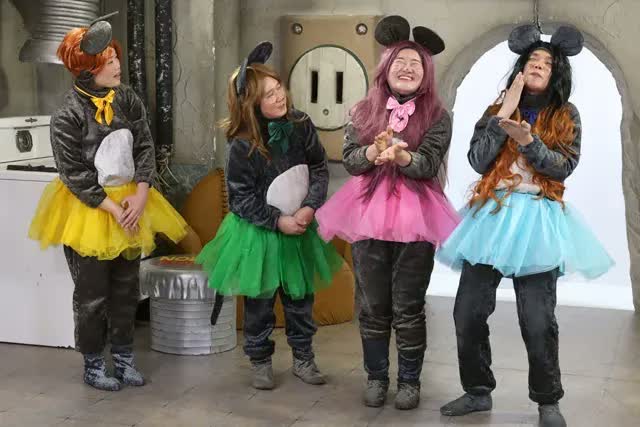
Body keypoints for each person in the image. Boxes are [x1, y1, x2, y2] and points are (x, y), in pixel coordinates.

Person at [437, 24, 613, 427]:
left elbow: (564, 166)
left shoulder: (566, 114)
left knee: (537, 320)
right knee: (467, 312)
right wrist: (504, 115)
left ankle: (547, 400)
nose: (537, 65)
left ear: (556, 74)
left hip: (536, 217)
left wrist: (529, 142)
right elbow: (478, 161)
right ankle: (477, 391)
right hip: (491, 216)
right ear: (520, 68)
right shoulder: (498, 107)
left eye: (546, 63)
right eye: (532, 60)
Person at [29, 13, 188, 391]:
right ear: (87, 69)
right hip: (91, 211)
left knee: (126, 290)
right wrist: (113, 208)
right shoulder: (67, 113)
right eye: (109, 61)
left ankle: (124, 356)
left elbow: (145, 146)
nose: (118, 65)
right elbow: (73, 173)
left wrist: (142, 192)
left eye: (116, 58)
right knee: (92, 295)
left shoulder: (128, 99)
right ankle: (93, 363)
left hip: (131, 202)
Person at [315, 16, 459, 410]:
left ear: (426, 72)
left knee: (408, 306)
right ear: (386, 66)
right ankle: (376, 377)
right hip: (369, 212)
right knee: (373, 305)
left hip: (417, 215)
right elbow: (350, 160)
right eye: (400, 61)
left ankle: (410, 382)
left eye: (416, 63)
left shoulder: (438, 116)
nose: (407, 68)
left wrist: (402, 156)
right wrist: (373, 151)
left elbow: (427, 164)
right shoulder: (362, 110)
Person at [195, 42, 343, 390]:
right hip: (259, 233)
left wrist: (309, 206)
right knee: (260, 303)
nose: (279, 97)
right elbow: (241, 198)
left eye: (279, 89)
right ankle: (260, 359)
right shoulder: (242, 144)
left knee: (300, 299)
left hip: (300, 225)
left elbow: (318, 167)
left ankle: (304, 357)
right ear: (251, 104)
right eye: (269, 95)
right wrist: (278, 220)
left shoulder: (301, 123)